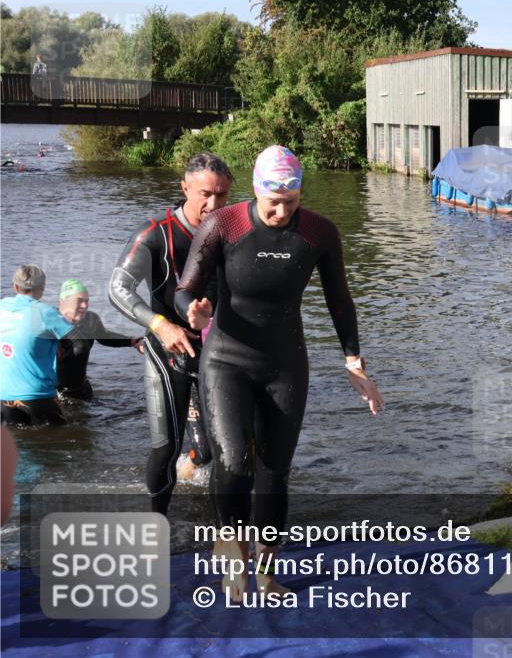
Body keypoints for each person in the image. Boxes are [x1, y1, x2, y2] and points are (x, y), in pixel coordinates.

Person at [175, 145, 384, 598]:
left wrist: (353, 361)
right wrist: (192, 310)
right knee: (233, 463)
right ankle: (234, 558)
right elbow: (184, 287)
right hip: (226, 360)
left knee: (274, 471)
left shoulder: (319, 232)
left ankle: (267, 573)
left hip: (285, 363)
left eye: (291, 202)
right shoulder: (223, 224)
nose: (282, 211)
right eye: (273, 202)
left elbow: (340, 300)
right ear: (256, 190)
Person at [109, 152, 232, 515]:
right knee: (166, 447)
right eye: (205, 194)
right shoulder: (155, 234)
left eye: (222, 195)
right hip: (168, 353)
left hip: (218, 353)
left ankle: (226, 530)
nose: (214, 205)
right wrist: (160, 325)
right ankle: (156, 525)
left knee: (224, 449)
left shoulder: (233, 231)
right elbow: (118, 288)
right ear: (185, 188)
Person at [0, 265, 74, 426]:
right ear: (43, 288)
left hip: (3, 398)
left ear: (15, 286)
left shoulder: (2, 306)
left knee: (16, 439)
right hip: (38, 397)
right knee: (63, 437)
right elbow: (77, 343)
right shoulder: (46, 312)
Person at [56, 279, 141, 400]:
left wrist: (132, 341)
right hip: (54, 392)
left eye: (86, 301)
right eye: (79, 301)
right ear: (62, 302)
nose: (84, 306)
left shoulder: (90, 319)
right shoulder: (49, 323)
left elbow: (105, 337)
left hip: (82, 389)